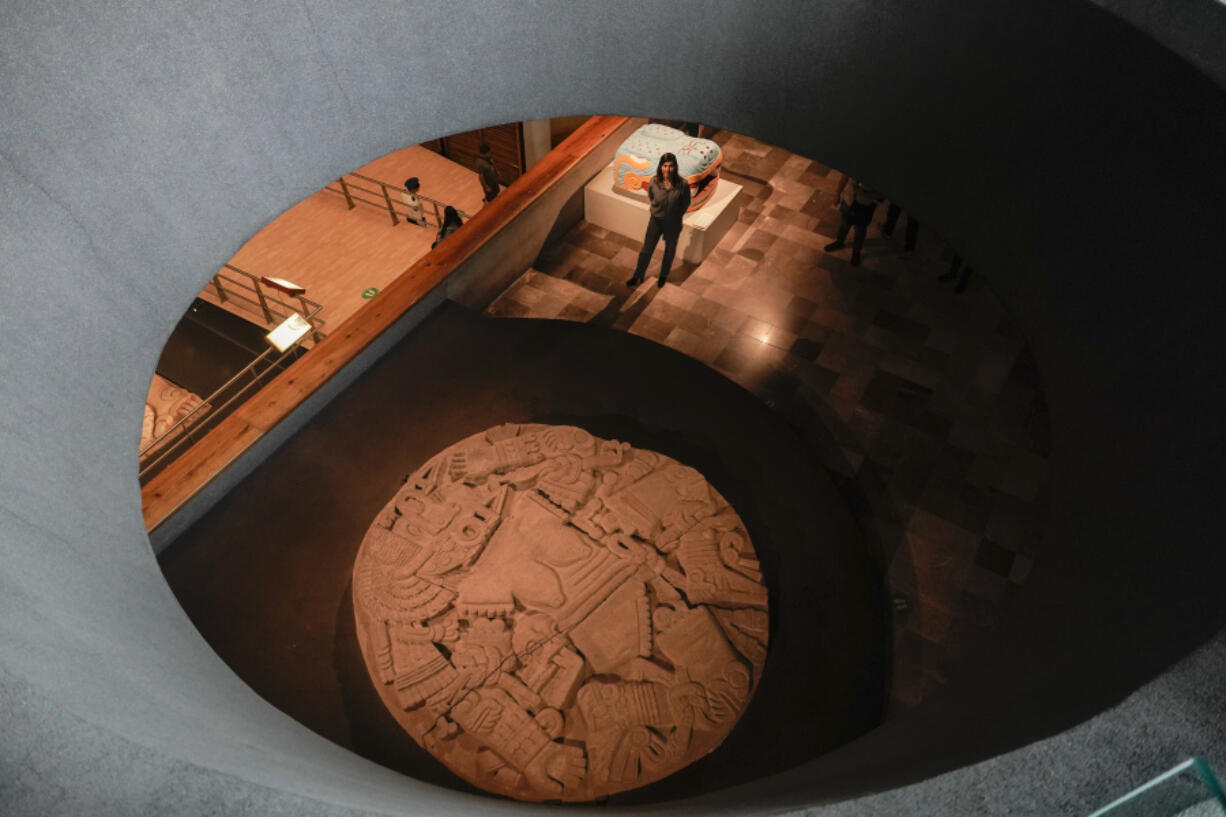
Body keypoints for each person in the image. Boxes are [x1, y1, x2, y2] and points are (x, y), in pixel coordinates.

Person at [626, 152, 691, 288]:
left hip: (673, 223)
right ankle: (638, 275)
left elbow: (685, 203)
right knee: (646, 250)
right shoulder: (654, 182)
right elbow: (651, 197)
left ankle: (663, 276)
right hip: (656, 221)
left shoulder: (683, 185)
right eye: (665, 165)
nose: (667, 169)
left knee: (669, 251)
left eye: (671, 166)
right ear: (661, 166)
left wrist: (676, 215)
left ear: (675, 167)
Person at [824, 174, 883, 266]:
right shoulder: (855, 164)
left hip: (865, 208)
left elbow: (882, 195)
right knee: (844, 224)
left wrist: (863, 193)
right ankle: (839, 242)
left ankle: (856, 252)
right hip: (848, 202)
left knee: (859, 231)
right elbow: (844, 177)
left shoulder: (880, 174)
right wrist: (837, 194)